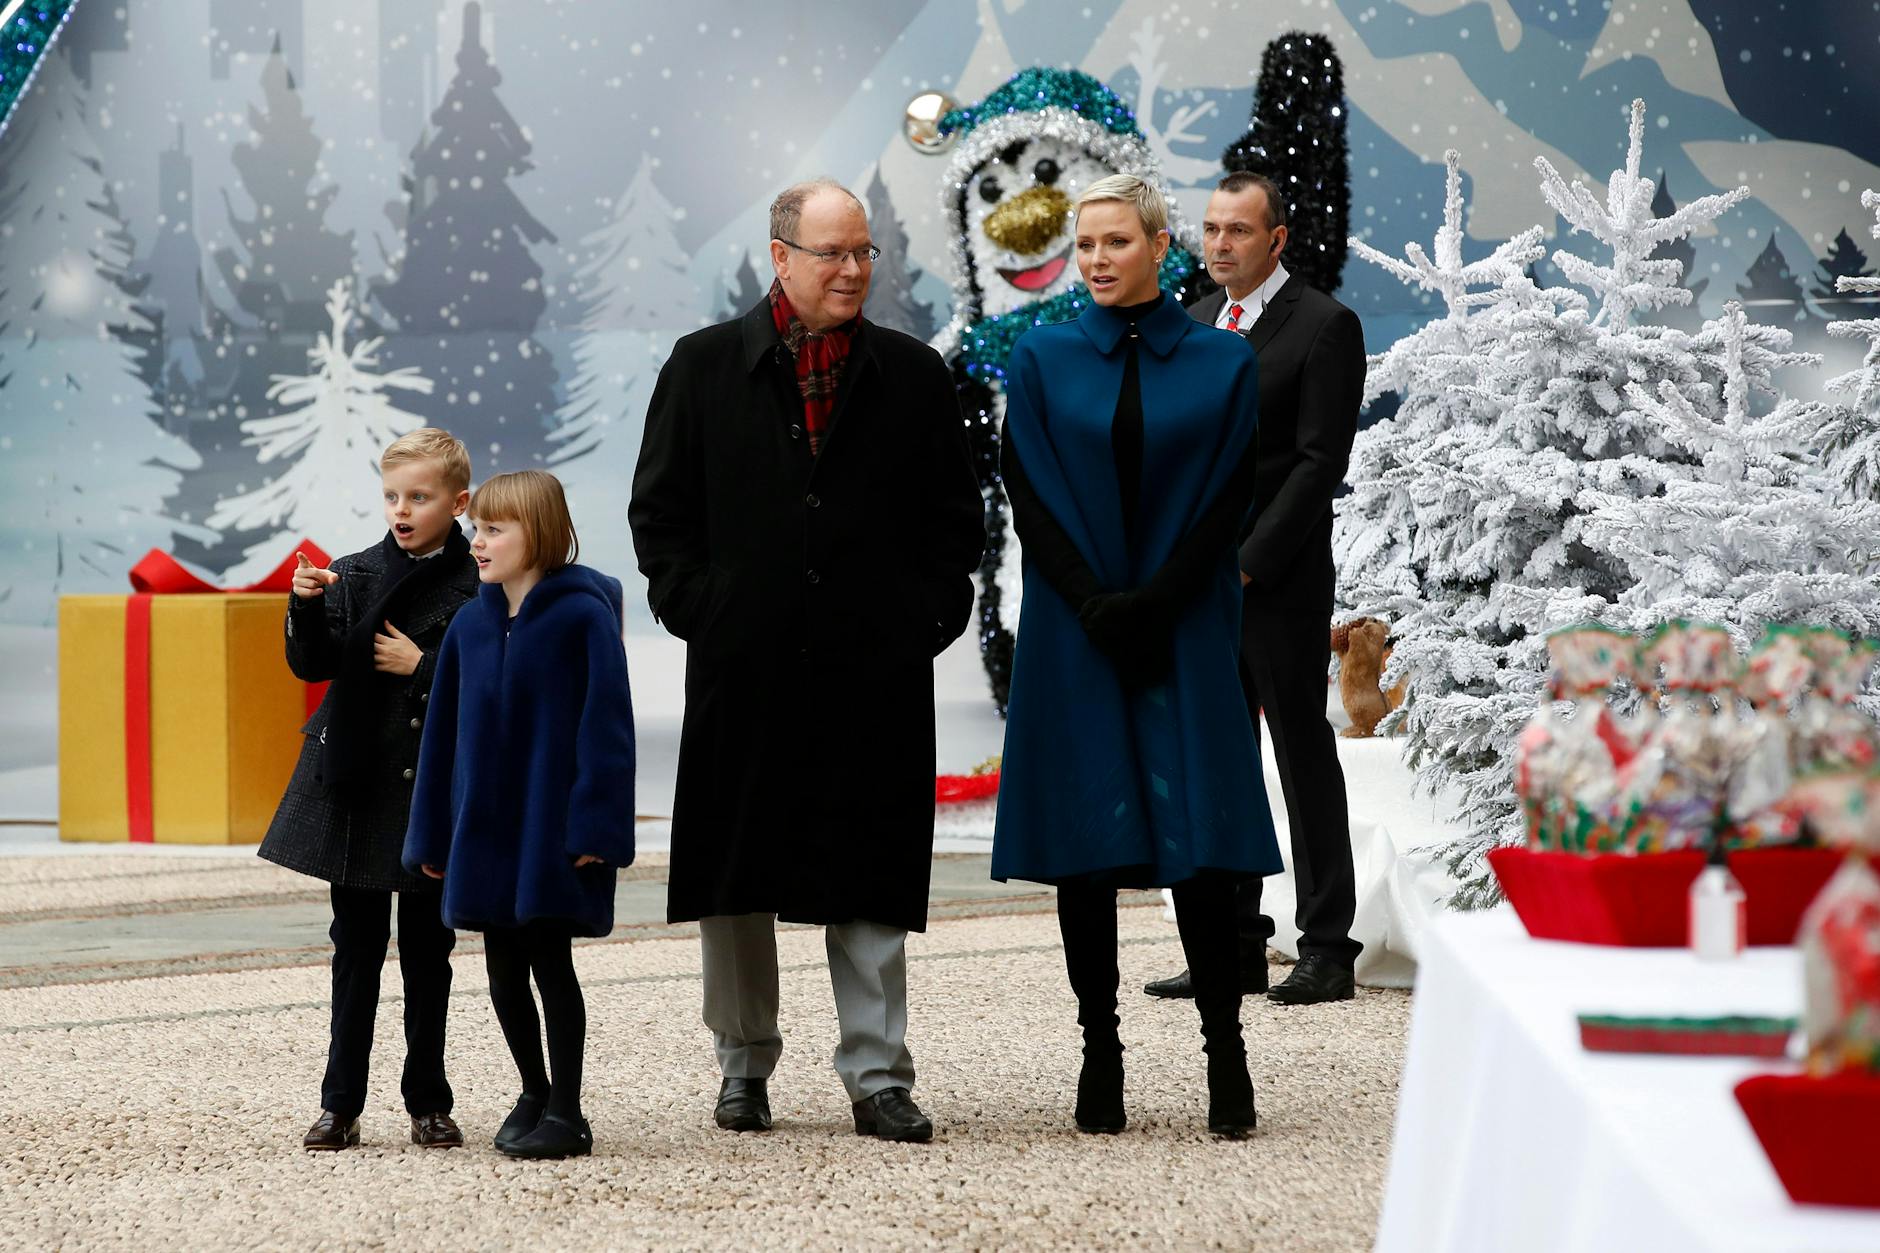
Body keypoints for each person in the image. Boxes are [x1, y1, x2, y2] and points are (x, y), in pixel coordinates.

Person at [629, 178, 984, 1144]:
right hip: (745, 669)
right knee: (735, 875)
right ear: (780, 256)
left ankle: (878, 1076)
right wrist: (708, 609)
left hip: (876, 672)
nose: (854, 269)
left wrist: (922, 622)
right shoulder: (703, 367)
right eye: (832, 253)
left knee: (868, 868)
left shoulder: (912, 375)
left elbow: (956, 526)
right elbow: (660, 519)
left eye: (864, 251)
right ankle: (743, 1067)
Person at [991, 174, 1280, 1138]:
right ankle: (1099, 1054)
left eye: (1118, 241)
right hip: (1077, 628)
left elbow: (1228, 496)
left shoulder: (1220, 362)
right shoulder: (1040, 359)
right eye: (1085, 246)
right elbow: (1027, 492)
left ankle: (1225, 1057)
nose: (1099, 260)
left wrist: (1155, 602)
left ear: (1163, 246)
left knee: (1195, 837)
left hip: (1184, 622)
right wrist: (1089, 601)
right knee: (1086, 838)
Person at [1145, 170, 1368, 1006]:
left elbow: (1319, 463)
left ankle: (1328, 947)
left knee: (1301, 757)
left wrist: (1245, 559)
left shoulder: (1324, 325)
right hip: (1196, 584)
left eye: (1238, 231)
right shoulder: (1192, 323)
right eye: (1210, 229)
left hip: (1275, 583)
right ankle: (1232, 944)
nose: (1220, 244)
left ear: (1276, 239)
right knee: (1215, 762)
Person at [404, 469, 637, 1160]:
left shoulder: (583, 615)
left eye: (495, 529)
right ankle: (532, 1089)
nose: (478, 542)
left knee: (549, 958)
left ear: (536, 532)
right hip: (484, 832)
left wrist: (595, 825)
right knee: (501, 966)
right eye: (478, 528)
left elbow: (607, 727)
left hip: (551, 829)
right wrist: (433, 834)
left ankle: (568, 1109)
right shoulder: (471, 626)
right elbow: (441, 738)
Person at [259, 427, 480, 1151]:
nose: (402, 509)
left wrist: (424, 664)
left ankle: (428, 1102)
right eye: (392, 495)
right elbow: (311, 663)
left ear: (459, 501)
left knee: (428, 952)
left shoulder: (479, 583)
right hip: (355, 784)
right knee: (354, 948)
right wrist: (300, 604)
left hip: (428, 789)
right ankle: (339, 1104)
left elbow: (494, 678)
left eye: (419, 496)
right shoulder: (352, 573)